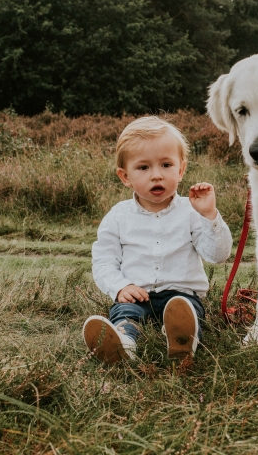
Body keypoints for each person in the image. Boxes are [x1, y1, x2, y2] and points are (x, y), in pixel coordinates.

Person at [83, 116, 233, 363]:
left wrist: (209, 216)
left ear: (181, 170)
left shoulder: (191, 211)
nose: (156, 176)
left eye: (166, 165)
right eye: (143, 168)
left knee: (185, 311)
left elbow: (218, 255)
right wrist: (120, 287)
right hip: (137, 295)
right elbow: (104, 261)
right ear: (125, 176)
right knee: (125, 314)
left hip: (182, 296)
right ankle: (124, 343)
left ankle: (182, 338)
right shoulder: (118, 216)